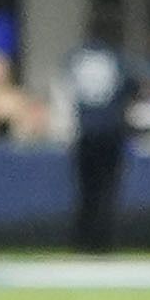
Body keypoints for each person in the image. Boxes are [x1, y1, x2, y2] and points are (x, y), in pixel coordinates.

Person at [65, 40, 128, 253]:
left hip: (93, 133)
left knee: (93, 192)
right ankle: (97, 241)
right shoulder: (114, 57)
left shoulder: (78, 58)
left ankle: (89, 241)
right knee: (101, 191)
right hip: (102, 132)